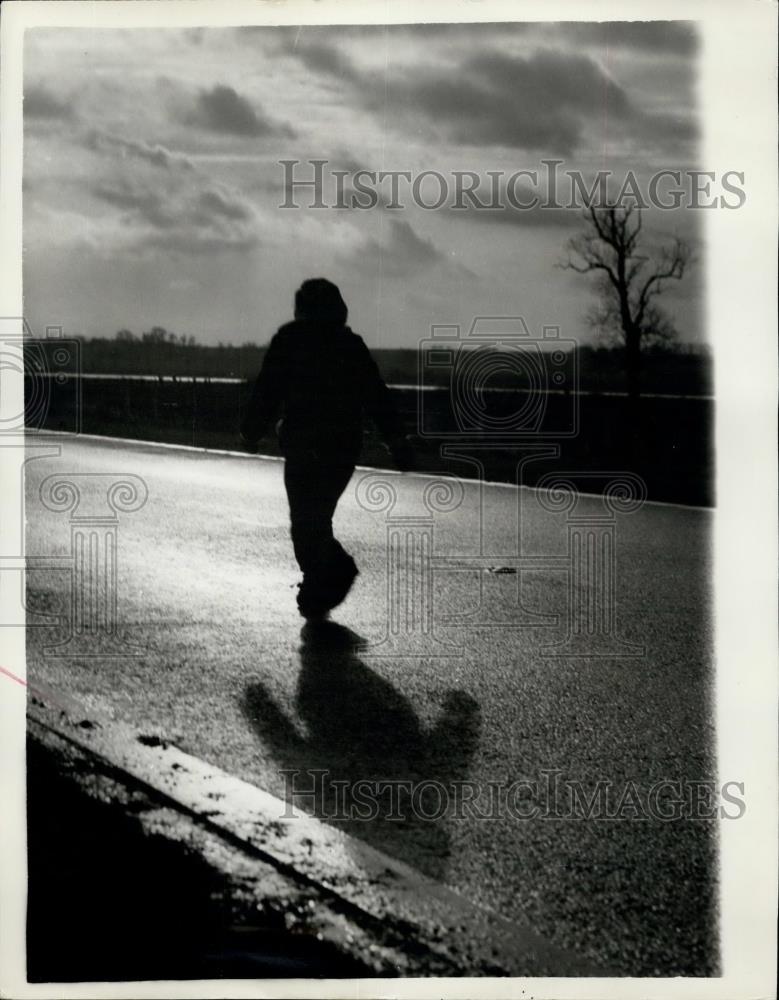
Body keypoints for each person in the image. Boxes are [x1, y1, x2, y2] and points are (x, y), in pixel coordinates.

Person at [241, 278, 413, 620]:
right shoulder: (350, 344)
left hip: (304, 445)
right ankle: (319, 584)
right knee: (317, 517)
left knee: (306, 520)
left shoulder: (290, 339)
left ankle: (328, 576)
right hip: (342, 446)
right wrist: (396, 441)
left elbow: (267, 391)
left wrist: (251, 431)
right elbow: (377, 397)